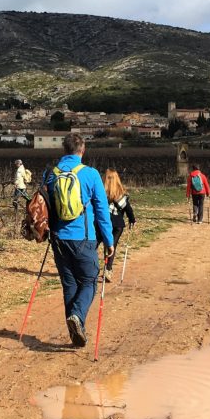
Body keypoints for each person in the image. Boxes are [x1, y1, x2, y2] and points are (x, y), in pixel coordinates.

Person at [43, 134, 114, 347]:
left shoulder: (50, 174)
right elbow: (102, 210)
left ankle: (75, 333)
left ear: (64, 150)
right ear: (82, 150)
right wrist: (109, 240)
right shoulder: (90, 174)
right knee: (90, 280)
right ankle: (77, 316)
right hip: (83, 238)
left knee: (69, 284)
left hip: (57, 239)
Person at [102, 168, 135, 282]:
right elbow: (128, 209)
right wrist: (132, 220)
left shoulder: (101, 193)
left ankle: (94, 267)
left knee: (104, 245)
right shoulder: (121, 194)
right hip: (117, 225)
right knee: (112, 246)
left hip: (104, 223)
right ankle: (108, 269)